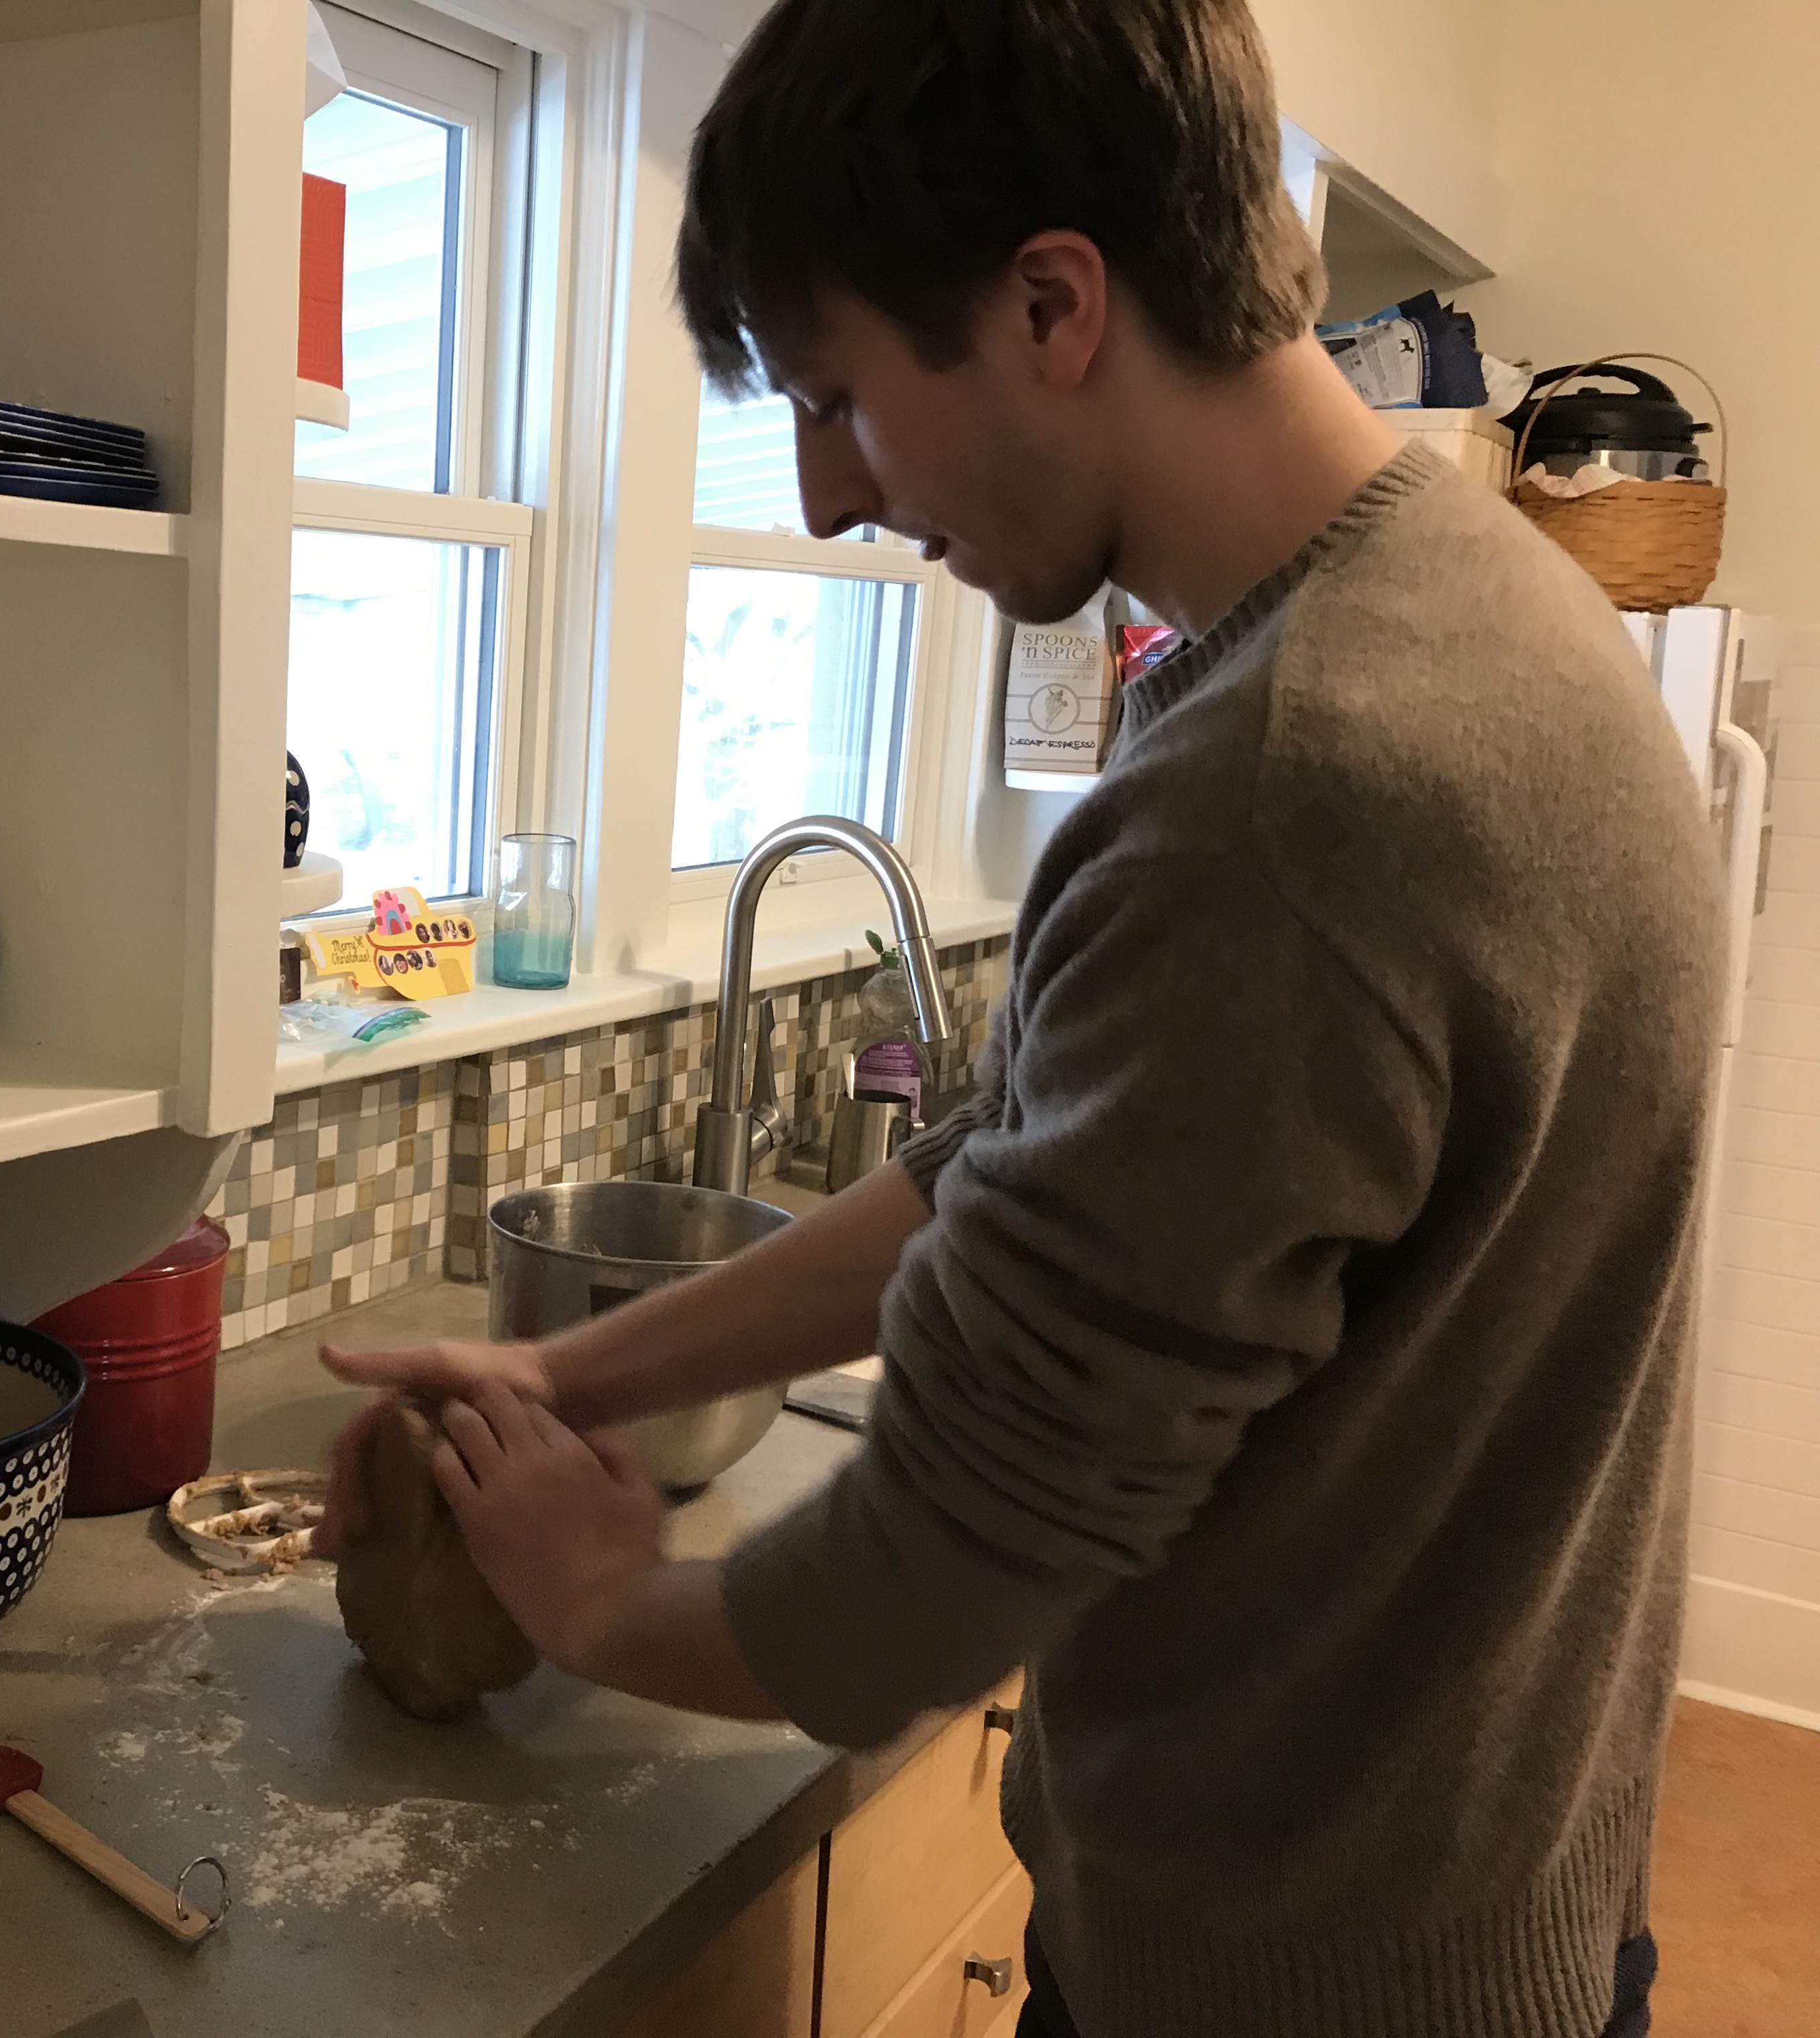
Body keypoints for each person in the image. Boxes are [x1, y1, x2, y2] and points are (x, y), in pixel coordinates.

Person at [315, 2, 1720, 2033]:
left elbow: (933, 1579)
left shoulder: (1283, 797)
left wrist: (603, 1600)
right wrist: (585, 1378)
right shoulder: (1474, 619)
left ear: (1056, 303)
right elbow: (1010, 1170)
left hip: (1292, 1984)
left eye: (836, 398)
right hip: (1485, 1914)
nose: (815, 500)